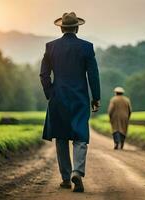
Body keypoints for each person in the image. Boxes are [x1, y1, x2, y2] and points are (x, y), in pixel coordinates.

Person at [40, 12, 101, 193]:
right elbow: (93, 75)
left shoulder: (50, 47)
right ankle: (77, 172)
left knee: (61, 137)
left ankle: (66, 178)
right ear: (77, 27)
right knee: (80, 136)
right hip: (80, 98)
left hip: (58, 98)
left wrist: (50, 92)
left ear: (61, 27)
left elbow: (44, 75)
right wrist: (95, 98)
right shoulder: (86, 47)